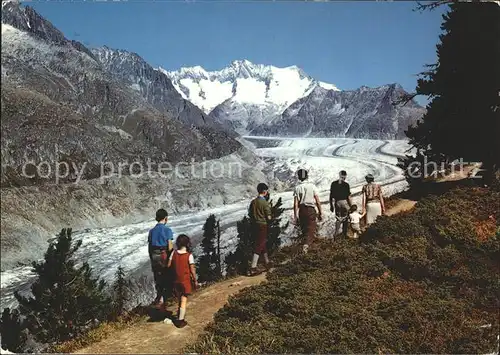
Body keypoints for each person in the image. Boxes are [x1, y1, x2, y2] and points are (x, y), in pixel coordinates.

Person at [167, 234, 198, 328]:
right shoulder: (189, 255)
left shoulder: (174, 253)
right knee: (184, 299)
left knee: (180, 298)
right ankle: (180, 321)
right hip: (185, 281)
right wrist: (195, 279)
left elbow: (168, 265)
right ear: (187, 243)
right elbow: (192, 269)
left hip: (175, 280)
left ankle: (179, 315)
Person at [148, 208, 174, 309]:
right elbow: (170, 246)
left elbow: (149, 247)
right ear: (165, 218)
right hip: (164, 254)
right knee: (166, 276)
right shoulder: (167, 230)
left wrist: (152, 258)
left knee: (157, 277)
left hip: (154, 256)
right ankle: (164, 300)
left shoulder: (151, 231)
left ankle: (159, 297)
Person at [293, 169, 323, 254]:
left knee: (304, 230)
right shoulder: (312, 186)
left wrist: (295, 216)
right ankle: (307, 247)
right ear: (307, 176)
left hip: (302, 210)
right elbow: (317, 201)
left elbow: (295, 204)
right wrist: (320, 212)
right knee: (311, 229)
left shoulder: (297, 188)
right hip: (311, 210)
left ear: (299, 177)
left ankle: (306, 249)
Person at [248, 183, 273, 276]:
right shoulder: (264, 203)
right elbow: (269, 217)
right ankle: (253, 267)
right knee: (260, 244)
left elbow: (250, 214)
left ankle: (267, 262)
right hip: (262, 225)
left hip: (255, 225)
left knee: (262, 243)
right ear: (264, 191)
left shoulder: (253, 202)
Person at [329, 170, 352, 238]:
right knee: (345, 218)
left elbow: (331, 195)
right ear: (345, 176)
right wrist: (351, 206)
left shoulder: (333, 184)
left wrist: (331, 205)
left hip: (337, 203)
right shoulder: (346, 185)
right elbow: (348, 197)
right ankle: (344, 234)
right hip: (344, 202)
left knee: (338, 218)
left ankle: (336, 233)